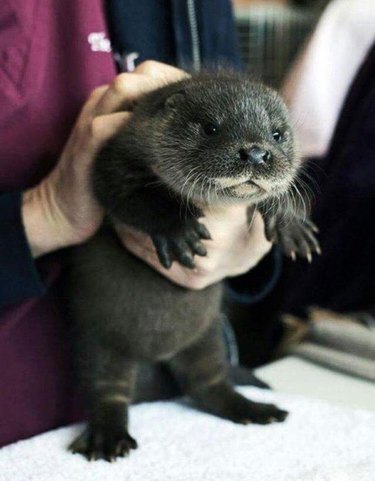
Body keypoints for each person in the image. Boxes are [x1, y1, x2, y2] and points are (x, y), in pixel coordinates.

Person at [0, 0, 279, 447]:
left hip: (175, 405)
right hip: (24, 391)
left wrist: (253, 245)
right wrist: (44, 211)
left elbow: (246, 124)